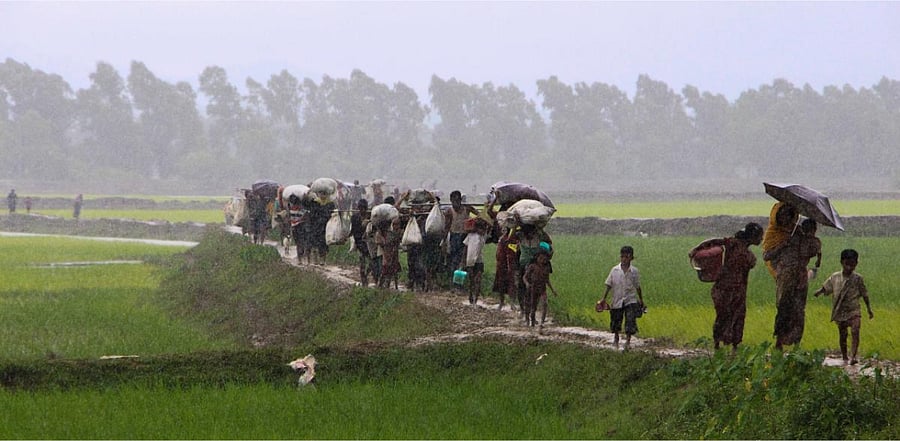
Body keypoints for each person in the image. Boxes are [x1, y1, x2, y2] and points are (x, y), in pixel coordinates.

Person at [689, 222, 764, 351]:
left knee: (732, 316)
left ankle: (726, 345)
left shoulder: (740, 249)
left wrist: (697, 249)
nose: (761, 239)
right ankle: (723, 345)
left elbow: (714, 241)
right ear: (752, 237)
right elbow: (714, 241)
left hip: (735, 291)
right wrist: (696, 250)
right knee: (727, 316)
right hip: (726, 289)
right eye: (759, 236)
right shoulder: (735, 245)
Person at [765, 217, 822, 351]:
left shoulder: (811, 242)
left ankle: (795, 342)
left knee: (797, 310)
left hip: (799, 279)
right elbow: (767, 255)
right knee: (784, 308)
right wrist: (784, 244)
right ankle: (780, 341)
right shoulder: (787, 238)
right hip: (786, 277)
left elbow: (811, 251)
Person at [813, 249, 874, 366]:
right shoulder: (835, 277)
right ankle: (845, 356)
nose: (849, 267)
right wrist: (819, 292)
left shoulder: (858, 278)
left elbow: (864, 294)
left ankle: (853, 356)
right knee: (843, 335)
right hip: (840, 310)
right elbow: (827, 287)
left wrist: (869, 309)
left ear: (856, 264)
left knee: (855, 330)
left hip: (854, 310)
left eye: (852, 264)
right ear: (841, 262)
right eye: (847, 264)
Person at [600, 245, 645, 350]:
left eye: (627, 257)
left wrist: (641, 300)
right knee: (616, 320)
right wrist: (603, 298)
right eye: (622, 257)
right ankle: (616, 338)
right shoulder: (614, 270)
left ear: (631, 258)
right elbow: (608, 285)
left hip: (630, 299)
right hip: (617, 298)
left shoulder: (634, 271)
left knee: (630, 320)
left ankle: (628, 341)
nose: (624, 259)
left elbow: (637, 286)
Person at [761, 202, 799, 278]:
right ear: (776, 216)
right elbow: (766, 256)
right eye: (782, 215)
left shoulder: (796, 231)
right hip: (781, 272)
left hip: (797, 272)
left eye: (788, 215)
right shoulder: (772, 233)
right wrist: (782, 245)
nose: (785, 219)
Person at [445, 190, 479, 272]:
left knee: (465, 257)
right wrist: (444, 240)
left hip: (465, 236)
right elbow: (447, 226)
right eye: (453, 201)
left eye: (457, 200)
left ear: (460, 200)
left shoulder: (467, 208)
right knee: (454, 256)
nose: (455, 203)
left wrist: (473, 222)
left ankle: (464, 273)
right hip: (454, 236)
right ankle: (455, 274)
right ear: (451, 201)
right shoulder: (449, 211)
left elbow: (479, 215)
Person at [524, 248, 558, 328]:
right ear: (537, 258)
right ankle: (531, 321)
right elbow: (525, 277)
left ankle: (542, 322)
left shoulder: (546, 268)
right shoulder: (532, 266)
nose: (543, 260)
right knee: (533, 308)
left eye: (544, 259)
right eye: (541, 258)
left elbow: (547, 280)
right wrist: (527, 284)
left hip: (542, 289)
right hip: (533, 289)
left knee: (545, 303)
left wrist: (553, 290)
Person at [463, 218, 489, 305]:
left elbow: (488, 225)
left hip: (479, 260)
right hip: (470, 261)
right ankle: (471, 295)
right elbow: (465, 248)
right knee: (471, 280)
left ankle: (475, 299)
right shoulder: (470, 236)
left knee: (478, 280)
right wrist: (463, 261)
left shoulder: (483, 236)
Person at [350, 199, 374, 286]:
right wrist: (362, 226)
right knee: (362, 263)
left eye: (364, 208)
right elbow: (354, 231)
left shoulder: (370, 216)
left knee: (372, 263)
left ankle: (366, 275)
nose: (362, 210)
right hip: (360, 243)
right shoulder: (354, 218)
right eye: (360, 208)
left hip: (370, 244)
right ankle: (364, 281)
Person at [376, 217, 402, 289]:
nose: (396, 226)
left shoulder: (395, 233)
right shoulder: (388, 234)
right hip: (387, 254)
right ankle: (382, 285)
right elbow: (383, 244)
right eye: (394, 224)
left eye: (397, 224)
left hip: (393, 254)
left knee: (393, 270)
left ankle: (393, 286)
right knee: (385, 271)